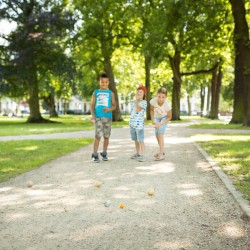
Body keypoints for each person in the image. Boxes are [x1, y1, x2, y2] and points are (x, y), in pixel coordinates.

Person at [90, 73, 116, 163]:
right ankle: (95, 154)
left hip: (108, 117)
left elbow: (114, 106)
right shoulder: (96, 92)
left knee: (106, 136)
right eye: (102, 82)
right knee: (97, 136)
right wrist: (92, 116)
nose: (104, 84)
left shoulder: (111, 93)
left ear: (108, 82)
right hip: (98, 117)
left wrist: (109, 109)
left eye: (106, 82)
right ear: (99, 82)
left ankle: (104, 153)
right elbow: (92, 104)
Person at [150, 87, 172, 161]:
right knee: (156, 134)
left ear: (166, 97)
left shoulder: (167, 105)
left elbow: (169, 117)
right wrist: (153, 119)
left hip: (164, 118)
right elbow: (151, 110)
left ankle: (161, 154)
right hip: (157, 117)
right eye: (159, 96)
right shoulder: (153, 101)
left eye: (163, 97)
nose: (160, 99)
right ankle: (161, 151)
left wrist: (160, 124)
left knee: (160, 133)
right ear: (157, 95)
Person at [129, 85, 148, 162]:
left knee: (140, 140)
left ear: (144, 95)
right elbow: (132, 112)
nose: (139, 93)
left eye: (141, 92)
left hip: (139, 125)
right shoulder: (133, 102)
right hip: (132, 124)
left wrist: (137, 101)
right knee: (136, 140)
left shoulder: (144, 102)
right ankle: (137, 153)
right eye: (138, 92)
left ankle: (143, 155)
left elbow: (137, 109)